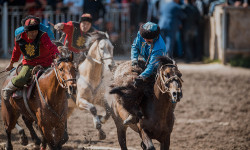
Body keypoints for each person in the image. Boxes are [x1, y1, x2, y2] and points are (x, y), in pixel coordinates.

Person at [1, 16, 59, 102]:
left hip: (46, 63)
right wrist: (11, 65)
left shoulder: (43, 35)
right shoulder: (19, 38)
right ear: (26, 31)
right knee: (22, 78)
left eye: (35, 31)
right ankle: (7, 90)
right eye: (31, 32)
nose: (34, 34)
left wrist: (58, 56)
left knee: (56, 78)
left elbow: (51, 47)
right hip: (29, 63)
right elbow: (16, 52)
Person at [124, 22, 167, 125]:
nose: (145, 41)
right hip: (144, 61)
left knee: (146, 86)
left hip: (156, 67)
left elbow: (151, 67)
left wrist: (141, 77)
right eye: (144, 38)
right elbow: (134, 46)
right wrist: (134, 59)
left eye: (148, 40)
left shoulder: (159, 47)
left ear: (155, 37)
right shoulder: (142, 35)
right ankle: (133, 112)